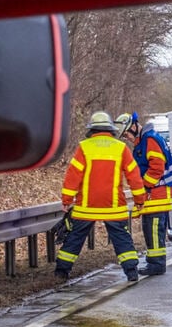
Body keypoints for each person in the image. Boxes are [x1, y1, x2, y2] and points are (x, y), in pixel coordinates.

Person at [55, 112, 147, 282]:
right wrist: (139, 200)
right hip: (114, 206)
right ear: (111, 129)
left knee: (75, 238)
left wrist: (66, 200)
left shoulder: (84, 147)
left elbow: (73, 176)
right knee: (121, 238)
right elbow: (134, 176)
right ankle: (131, 271)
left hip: (86, 206)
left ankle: (61, 271)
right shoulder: (121, 148)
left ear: (92, 129)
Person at [117, 112, 172, 276]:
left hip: (156, 195)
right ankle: (154, 262)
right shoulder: (145, 140)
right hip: (155, 195)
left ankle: (157, 264)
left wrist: (143, 186)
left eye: (126, 134)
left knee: (154, 232)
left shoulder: (150, 140)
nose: (127, 138)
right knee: (151, 230)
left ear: (134, 127)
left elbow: (157, 168)